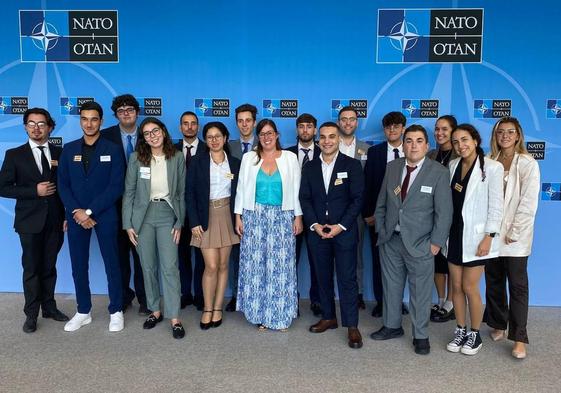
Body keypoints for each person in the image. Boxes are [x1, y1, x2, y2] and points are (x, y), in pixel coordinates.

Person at [370, 125, 452, 355]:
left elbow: (444, 213)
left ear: (427, 145)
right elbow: (382, 202)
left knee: (420, 292)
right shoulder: (393, 167)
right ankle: (392, 325)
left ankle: (421, 335)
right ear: (403, 144)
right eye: (409, 141)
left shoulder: (438, 172)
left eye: (418, 141)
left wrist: (435, 243)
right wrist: (381, 228)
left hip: (421, 243)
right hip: (391, 240)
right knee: (391, 287)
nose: (413, 145)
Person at [57, 101, 125, 332]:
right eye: (85, 119)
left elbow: (116, 186)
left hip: (104, 214)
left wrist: (89, 211)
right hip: (75, 215)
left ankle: (116, 310)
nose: (89, 123)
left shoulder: (113, 149)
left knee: (112, 263)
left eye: (94, 119)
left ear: (101, 121)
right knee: (78, 265)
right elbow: (63, 185)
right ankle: (83, 310)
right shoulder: (69, 149)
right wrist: (77, 211)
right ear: (80, 122)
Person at [0, 108, 69, 333]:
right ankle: (31, 314)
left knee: (49, 266)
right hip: (29, 222)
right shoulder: (14, 154)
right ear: (25, 127)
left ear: (50, 127)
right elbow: (3, 187)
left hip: (56, 221)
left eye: (41, 124)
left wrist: (67, 216)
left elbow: (68, 188)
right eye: (31, 124)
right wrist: (34, 191)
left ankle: (49, 307)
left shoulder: (61, 152)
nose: (36, 128)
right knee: (31, 269)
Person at [300, 122, 365, 349]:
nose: (327, 141)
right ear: (318, 141)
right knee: (322, 277)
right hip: (317, 233)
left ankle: (352, 325)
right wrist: (315, 224)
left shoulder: (353, 165)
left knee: (347, 279)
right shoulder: (309, 167)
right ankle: (329, 316)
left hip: (344, 232)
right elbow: (305, 199)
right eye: (324, 137)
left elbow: (358, 199)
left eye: (332, 137)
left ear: (339, 140)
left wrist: (341, 226)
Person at [234, 119, 302, 331]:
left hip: (283, 216)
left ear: (277, 134)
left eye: (270, 133)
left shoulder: (290, 158)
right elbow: (241, 188)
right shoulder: (249, 158)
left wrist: (298, 216)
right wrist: (238, 216)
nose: (266, 137)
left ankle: (280, 316)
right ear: (258, 137)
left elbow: (297, 189)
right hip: (254, 215)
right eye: (262, 134)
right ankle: (260, 315)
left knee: (281, 267)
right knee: (256, 267)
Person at [122, 117, 186, 339]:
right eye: (147, 133)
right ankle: (155, 310)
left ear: (164, 132)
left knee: (169, 267)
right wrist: (127, 224)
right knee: (147, 266)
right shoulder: (136, 159)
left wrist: (180, 222)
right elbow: (129, 193)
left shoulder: (177, 157)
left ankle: (175, 317)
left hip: (168, 214)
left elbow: (181, 194)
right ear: (144, 138)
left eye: (155, 131)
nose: (152, 135)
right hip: (143, 218)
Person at [445, 124, 503, 355]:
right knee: (456, 287)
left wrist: (489, 237)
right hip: (455, 234)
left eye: (465, 140)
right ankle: (460, 329)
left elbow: (496, 207)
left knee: (470, 287)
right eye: (456, 141)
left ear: (476, 140)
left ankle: (475, 334)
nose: (461, 145)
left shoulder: (492, 168)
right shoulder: (452, 165)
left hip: (478, 237)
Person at [485, 117, 540, 359]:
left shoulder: (528, 163)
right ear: (495, 136)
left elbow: (528, 203)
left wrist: (514, 232)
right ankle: (498, 323)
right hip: (491, 236)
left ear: (518, 136)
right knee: (494, 282)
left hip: (516, 238)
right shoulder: (488, 161)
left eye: (510, 132)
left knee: (518, 287)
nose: (505, 136)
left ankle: (519, 338)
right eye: (500, 132)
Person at [186, 122, 240, 330]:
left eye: (218, 136)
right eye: (209, 137)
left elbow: (240, 193)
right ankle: (207, 308)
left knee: (224, 265)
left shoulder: (235, 163)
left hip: (227, 214)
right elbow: (188, 193)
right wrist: (194, 221)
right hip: (205, 216)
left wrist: (239, 217)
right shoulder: (198, 162)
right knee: (211, 266)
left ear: (225, 138)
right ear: (205, 140)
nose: (214, 140)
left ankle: (218, 307)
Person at [101, 94, 149, 315]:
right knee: (119, 256)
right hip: (114, 206)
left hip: (145, 206)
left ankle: (145, 298)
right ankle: (122, 297)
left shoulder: (150, 133)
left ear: (137, 112)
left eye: (130, 109)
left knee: (143, 255)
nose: (126, 114)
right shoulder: (105, 137)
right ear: (115, 115)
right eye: (121, 111)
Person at [363, 111, 409, 318]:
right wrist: (369, 214)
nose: (392, 130)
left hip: (407, 220)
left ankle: (398, 301)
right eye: (389, 127)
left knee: (403, 262)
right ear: (384, 130)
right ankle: (383, 302)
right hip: (379, 218)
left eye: (396, 126)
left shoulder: (412, 151)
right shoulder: (375, 153)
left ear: (403, 128)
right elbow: (368, 186)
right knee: (379, 261)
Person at [286, 113, 322, 316]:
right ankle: (292, 300)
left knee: (318, 260)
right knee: (290, 260)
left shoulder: (324, 152)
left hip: (317, 217)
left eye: (309, 126)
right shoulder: (286, 153)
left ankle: (317, 299)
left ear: (315, 130)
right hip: (291, 216)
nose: (305, 130)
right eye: (301, 126)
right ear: (297, 129)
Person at [337, 106, 370, 309]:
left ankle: (356, 293)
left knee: (356, 254)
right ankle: (332, 292)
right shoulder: (328, 144)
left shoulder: (367, 150)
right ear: (339, 122)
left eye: (351, 119)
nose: (348, 123)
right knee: (329, 253)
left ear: (356, 122)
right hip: (331, 210)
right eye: (344, 119)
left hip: (356, 213)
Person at [427, 115, 459, 323]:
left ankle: (450, 303)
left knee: (451, 262)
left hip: (455, 216)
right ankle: (439, 299)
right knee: (436, 261)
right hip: (432, 215)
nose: (439, 133)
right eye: (437, 129)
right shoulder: (431, 154)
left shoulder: (461, 155)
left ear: (453, 131)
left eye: (444, 129)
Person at [226, 103, 258, 312]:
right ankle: (237, 295)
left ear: (254, 122)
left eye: (248, 120)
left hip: (259, 209)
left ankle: (255, 294)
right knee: (236, 255)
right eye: (240, 120)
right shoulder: (228, 146)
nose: (244, 124)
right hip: (233, 208)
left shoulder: (266, 145)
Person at [174, 111, 205, 311]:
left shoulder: (208, 148)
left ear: (198, 127)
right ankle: (185, 294)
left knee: (202, 257)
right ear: (180, 127)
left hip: (201, 212)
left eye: (193, 123)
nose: (190, 127)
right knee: (182, 256)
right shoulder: (171, 149)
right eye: (185, 123)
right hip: (178, 213)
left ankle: (201, 295)